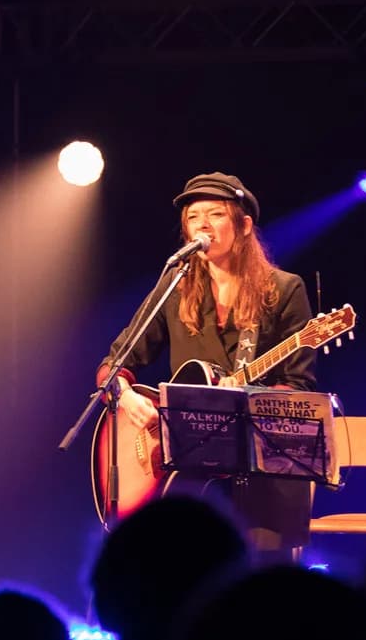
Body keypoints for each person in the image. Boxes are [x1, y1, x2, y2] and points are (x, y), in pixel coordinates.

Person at [96, 173, 319, 559]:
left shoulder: (284, 290)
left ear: (244, 226)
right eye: (193, 216)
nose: (202, 224)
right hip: (188, 469)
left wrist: (248, 400)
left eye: (215, 214)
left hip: (260, 471)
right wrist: (126, 396)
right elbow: (114, 365)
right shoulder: (174, 287)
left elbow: (297, 387)